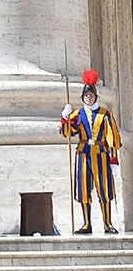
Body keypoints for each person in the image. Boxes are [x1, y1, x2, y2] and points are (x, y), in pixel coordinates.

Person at [60, 69, 122, 234]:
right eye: (86, 95)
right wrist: (65, 119)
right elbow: (67, 133)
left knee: (104, 189)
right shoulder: (77, 114)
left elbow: (112, 138)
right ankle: (87, 223)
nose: (89, 97)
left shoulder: (105, 114)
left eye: (91, 95)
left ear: (95, 96)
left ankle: (107, 223)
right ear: (83, 97)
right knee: (84, 189)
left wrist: (113, 160)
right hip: (83, 154)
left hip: (100, 153)